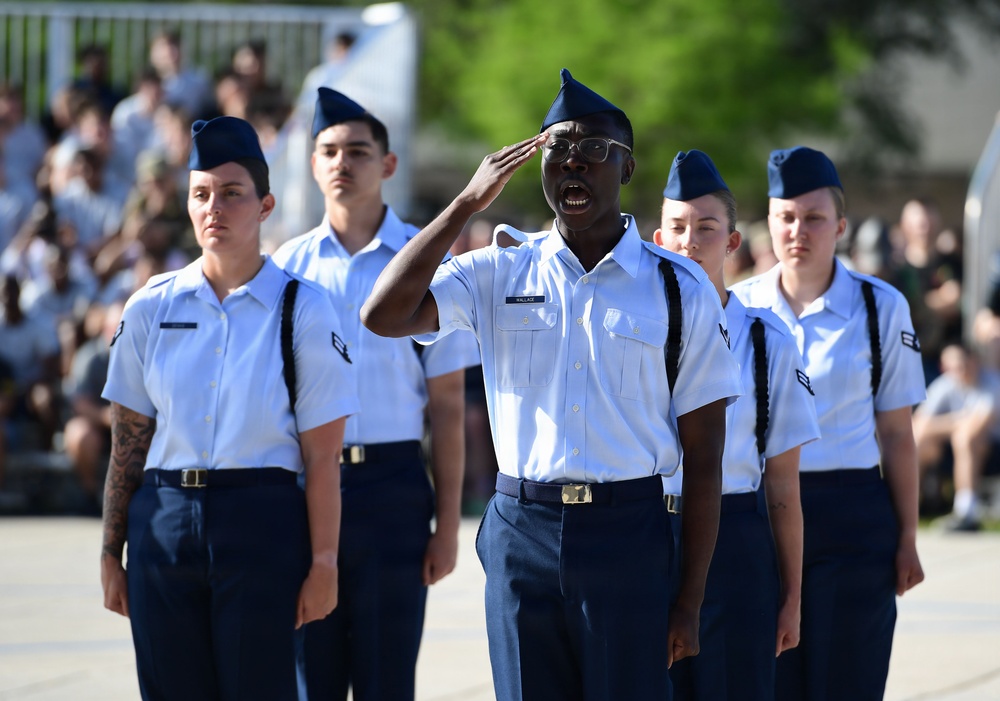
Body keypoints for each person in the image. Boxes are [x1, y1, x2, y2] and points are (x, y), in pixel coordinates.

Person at [361, 69, 742, 701]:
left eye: (593, 152)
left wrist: (688, 601)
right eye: (556, 151)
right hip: (522, 533)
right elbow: (383, 316)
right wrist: (463, 207)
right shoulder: (497, 270)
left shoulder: (679, 287)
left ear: (626, 169)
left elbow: (705, 458)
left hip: (631, 534)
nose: (572, 165)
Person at [99, 115, 358, 700]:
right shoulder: (150, 308)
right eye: (201, 194)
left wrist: (324, 564)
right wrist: (111, 551)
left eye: (232, 193)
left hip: (261, 524)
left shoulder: (304, 311)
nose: (214, 207)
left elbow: (322, 460)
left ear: (265, 206)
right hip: (164, 522)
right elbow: (128, 443)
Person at [272, 87, 478, 701]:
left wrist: (446, 524)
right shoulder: (287, 266)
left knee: (390, 676)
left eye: (358, 151)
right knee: (314, 674)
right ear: (312, 164)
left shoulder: (424, 263)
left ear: (387, 165)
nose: (342, 163)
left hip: (392, 488)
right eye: (329, 151)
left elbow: (446, 406)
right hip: (307, 483)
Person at [731, 146, 926, 701]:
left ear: (840, 225)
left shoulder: (878, 307)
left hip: (850, 514)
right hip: (762, 512)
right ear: (768, 224)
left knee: (849, 680)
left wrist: (908, 538)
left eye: (814, 217)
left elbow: (896, 433)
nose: (799, 231)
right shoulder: (738, 308)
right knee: (768, 682)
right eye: (786, 217)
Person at [653, 150, 820, 700]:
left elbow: (781, 483)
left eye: (706, 229)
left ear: (731, 243)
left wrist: (791, 593)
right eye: (677, 228)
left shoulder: (765, 340)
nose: (689, 242)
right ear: (658, 238)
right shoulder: (628, 334)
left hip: (736, 541)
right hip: (645, 535)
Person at [914, 343, 1000, 531]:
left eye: (962, 365)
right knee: (920, 442)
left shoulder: (992, 383)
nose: (957, 371)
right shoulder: (945, 383)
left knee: (965, 438)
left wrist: (943, 425)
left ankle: (966, 512)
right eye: (949, 367)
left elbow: (978, 427)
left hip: (992, 452)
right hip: (951, 449)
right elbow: (917, 424)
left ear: (973, 361)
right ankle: (909, 506)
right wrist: (959, 419)